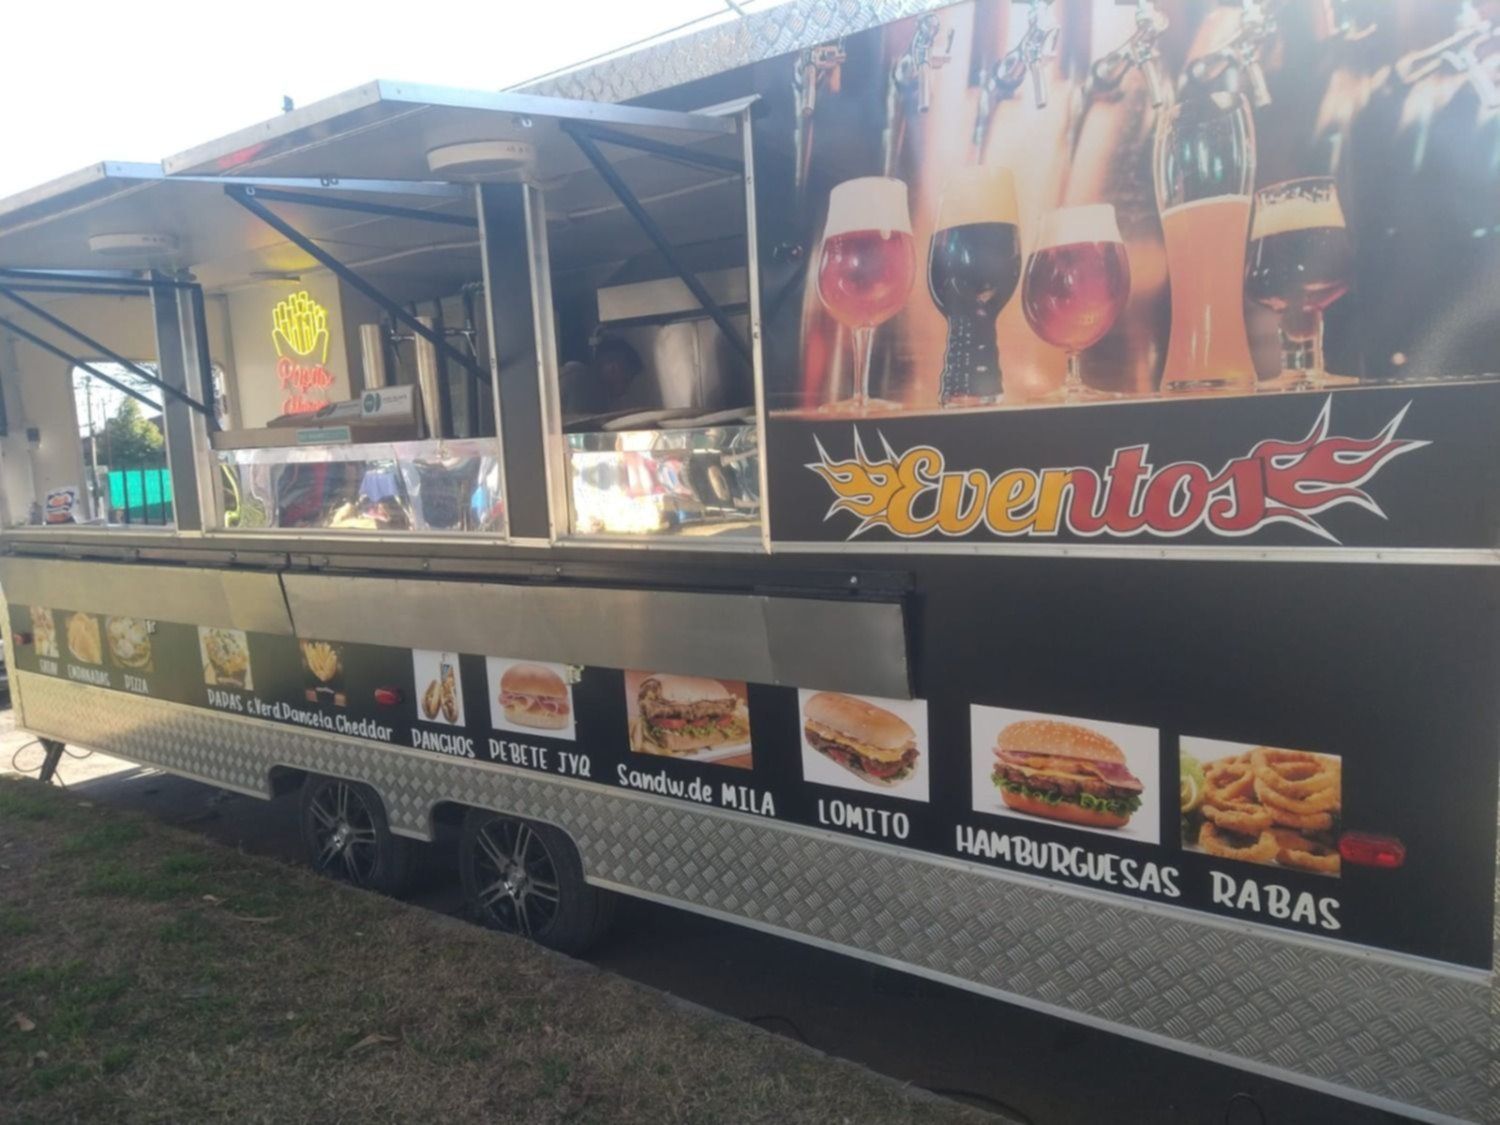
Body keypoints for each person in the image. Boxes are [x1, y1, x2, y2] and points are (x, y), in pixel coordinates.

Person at [560, 337, 645, 417]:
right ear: (613, 368)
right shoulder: (582, 381)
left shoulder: (596, 391)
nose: (626, 390)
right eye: (626, 381)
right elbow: (580, 424)